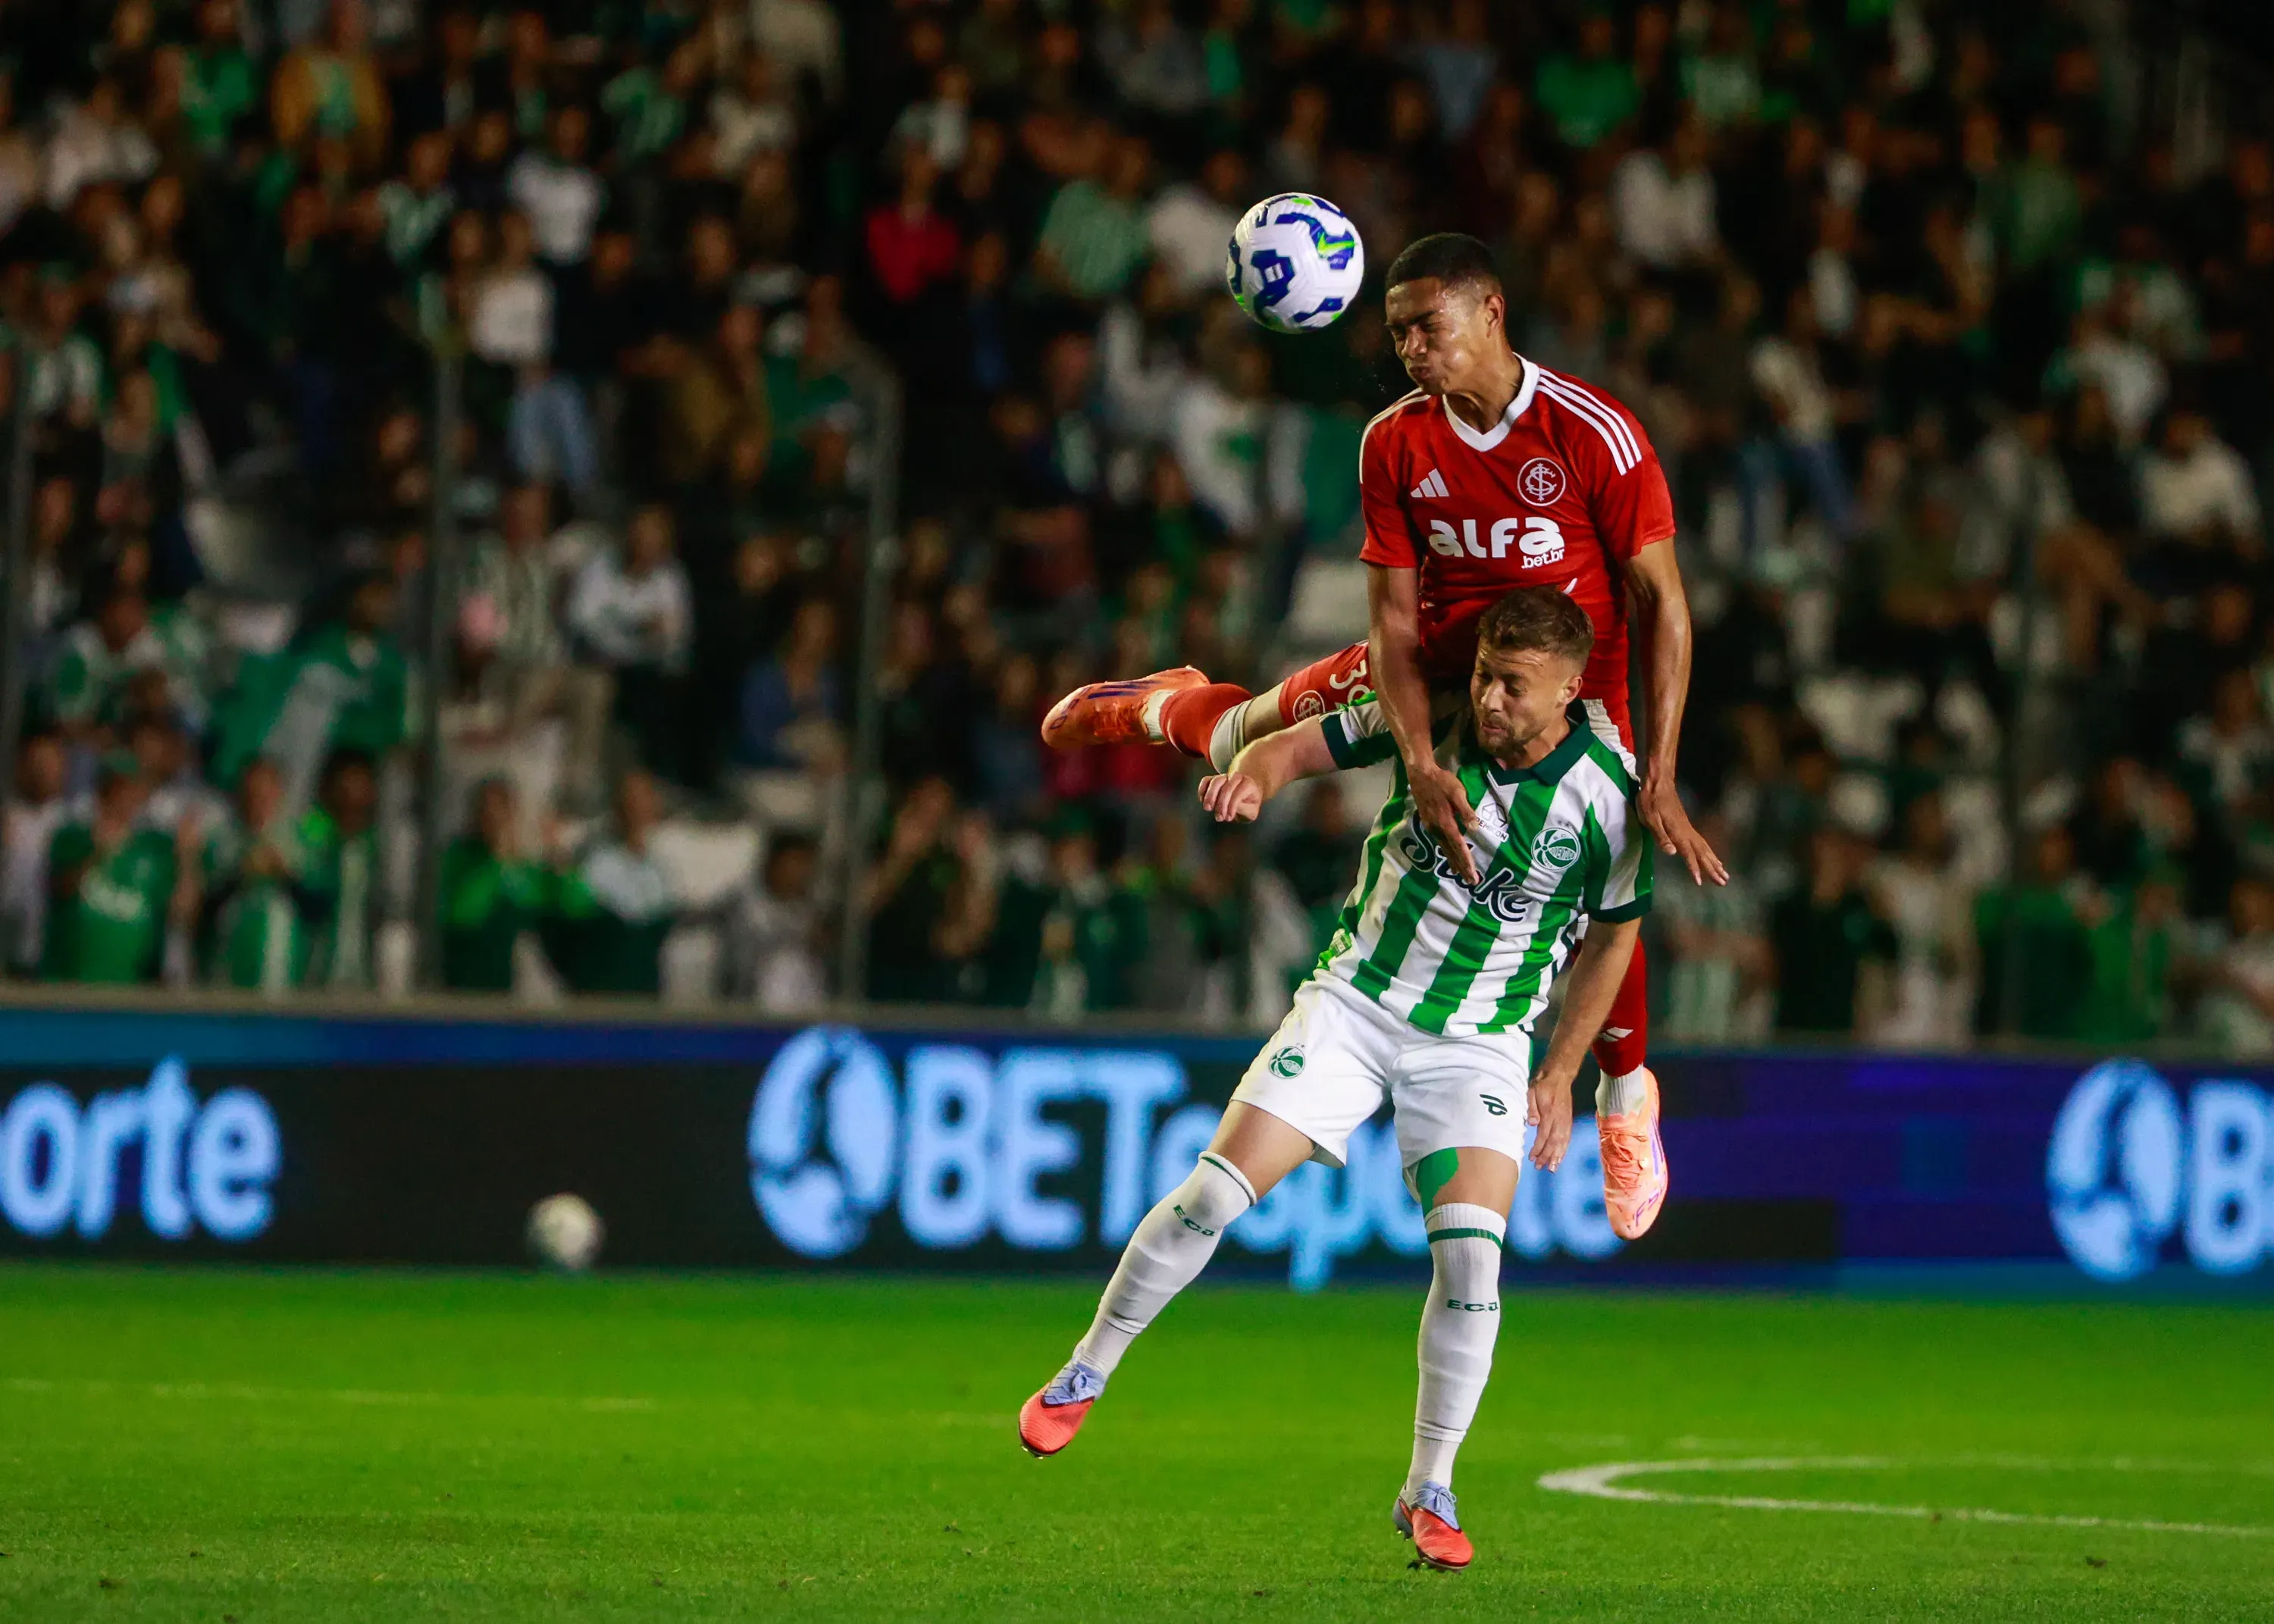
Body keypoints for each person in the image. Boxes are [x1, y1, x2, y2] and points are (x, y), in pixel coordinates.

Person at [1038, 232, 1721, 1238]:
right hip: (1441, 670)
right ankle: (1162, 703)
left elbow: (1665, 602)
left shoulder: (1592, 434)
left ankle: (1626, 1098)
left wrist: (1659, 769)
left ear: (1491, 312)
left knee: (1601, 885)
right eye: (1397, 331)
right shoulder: (1394, 441)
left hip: (1571, 694)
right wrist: (1420, 755)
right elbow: (1394, 625)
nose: (1410, 348)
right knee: (1241, 742)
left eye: (1427, 326)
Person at [1018, 588, 1653, 1572]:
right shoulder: (1428, 713)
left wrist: (1564, 1069)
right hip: (1355, 1005)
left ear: (1572, 688)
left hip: (1479, 1041)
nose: (1490, 699)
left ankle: (1430, 1485)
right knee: (1210, 1195)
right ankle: (1083, 1370)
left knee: (1472, 1265)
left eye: (1514, 687)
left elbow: (1615, 938)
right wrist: (1253, 778)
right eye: (1486, 675)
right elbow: (1299, 747)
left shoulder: (1609, 795)